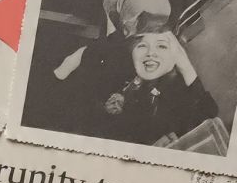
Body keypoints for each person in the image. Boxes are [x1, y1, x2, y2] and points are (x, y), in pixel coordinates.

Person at [60, 14, 217, 146]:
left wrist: (185, 66)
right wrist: (105, 109)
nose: (150, 53)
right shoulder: (122, 71)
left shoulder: (175, 87)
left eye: (161, 46)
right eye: (142, 46)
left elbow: (208, 115)